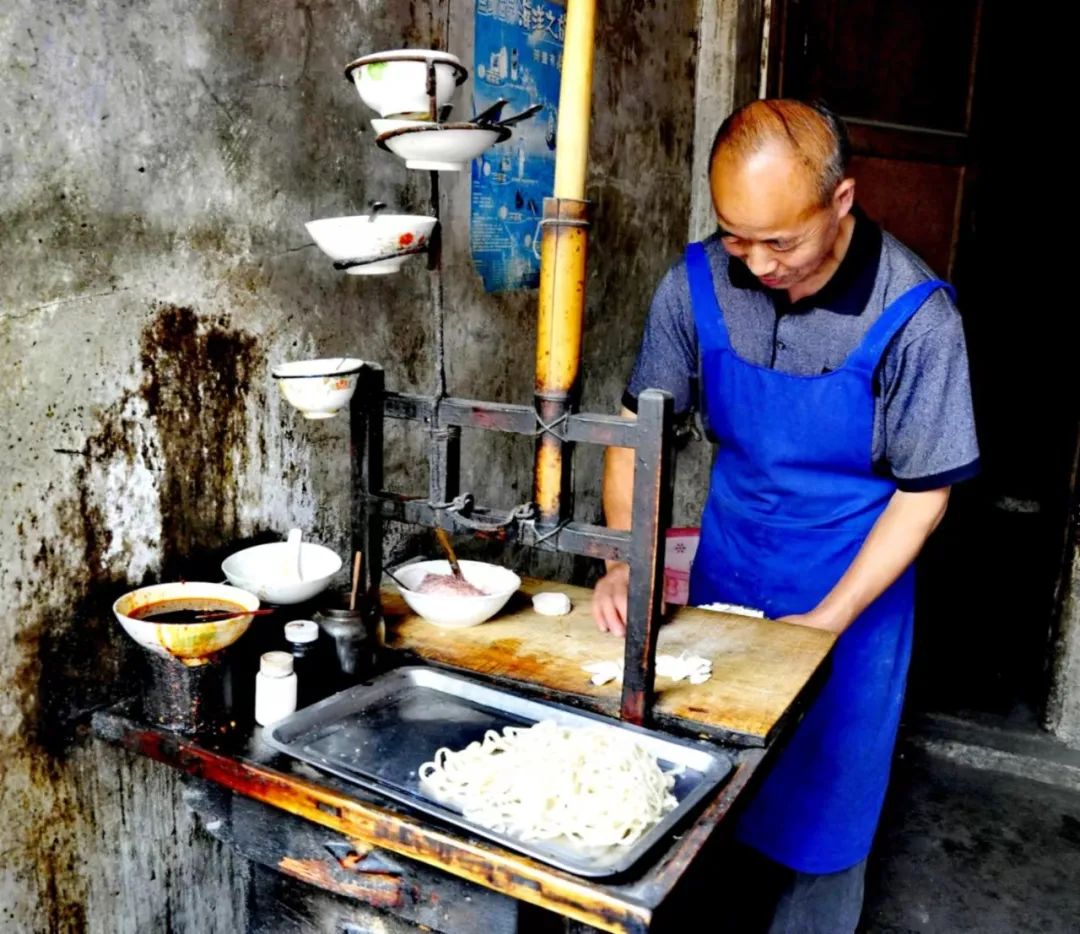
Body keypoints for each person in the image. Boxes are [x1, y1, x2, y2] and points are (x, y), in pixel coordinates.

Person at [592, 100, 979, 932]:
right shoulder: (694, 285)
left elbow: (925, 495)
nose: (759, 263)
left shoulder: (917, 317)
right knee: (707, 803)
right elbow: (638, 432)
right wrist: (627, 558)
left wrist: (826, 624)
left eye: (782, 241)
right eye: (737, 236)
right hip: (730, 578)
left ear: (841, 201)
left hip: (853, 600)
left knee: (822, 817)